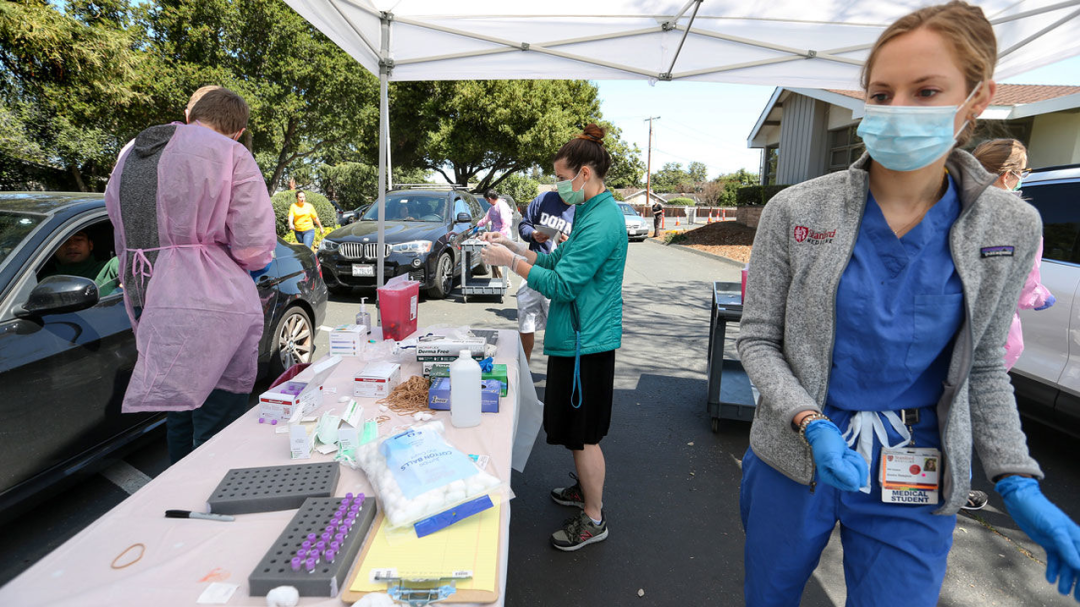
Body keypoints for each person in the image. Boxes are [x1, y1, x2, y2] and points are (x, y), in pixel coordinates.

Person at [736, 3, 1080, 605]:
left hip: (918, 465)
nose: (898, 110)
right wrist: (809, 421)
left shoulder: (1009, 225)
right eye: (881, 92)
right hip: (796, 453)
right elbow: (758, 339)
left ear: (977, 98)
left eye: (926, 91)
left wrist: (1017, 479)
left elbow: (984, 365)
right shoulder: (798, 211)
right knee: (770, 595)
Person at [105, 86, 276, 464]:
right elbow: (253, 245)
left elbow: (117, 219)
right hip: (208, 297)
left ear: (190, 115)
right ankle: (207, 507)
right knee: (217, 420)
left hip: (146, 293)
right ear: (236, 130)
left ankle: (175, 497)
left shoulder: (131, 150)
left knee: (178, 410)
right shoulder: (230, 153)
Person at [480, 124, 627, 551]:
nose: (558, 185)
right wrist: (514, 245)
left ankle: (594, 518)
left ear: (584, 173)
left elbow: (562, 284)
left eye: (562, 176)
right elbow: (556, 256)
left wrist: (511, 263)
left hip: (588, 344)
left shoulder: (603, 221)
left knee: (584, 436)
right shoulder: (591, 211)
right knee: (573, 429)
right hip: (576, 338)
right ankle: (585, 491)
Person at [960, 139, 1056, 513]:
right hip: (992, 335)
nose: (1023, 179)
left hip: (944, 327)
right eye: (1023, 171)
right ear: (1008, 174)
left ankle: (924, 480)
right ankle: (956, 485)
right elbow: (1024, 284)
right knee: (966, 411)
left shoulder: (947, 207)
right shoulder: (1018, 221)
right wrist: (1040, 297)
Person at [516, 190, 575, 364]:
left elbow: (585, 243)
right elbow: (524, 225)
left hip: (560, 274)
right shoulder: (544, 199)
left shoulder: (582, 208)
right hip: (534, 268)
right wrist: (533, 234)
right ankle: (524, 367)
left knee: (557, 325)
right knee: (525, 320)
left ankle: (559, 371)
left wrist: (570, 243)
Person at [40, 230, 120, 297]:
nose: (72, 246)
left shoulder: (108, 268)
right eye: (64, 240)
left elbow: (124, 264)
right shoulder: (46, 282)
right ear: (54, 248)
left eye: (78, 239)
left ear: (90, 245)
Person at [478, 190, 513, 280]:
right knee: (492, 259)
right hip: (494, 236)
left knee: (497, 259)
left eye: (486, 200)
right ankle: (495, 279)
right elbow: (486, 219)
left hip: (502, 236)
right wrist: (477, 225)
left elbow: (505, 223)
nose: (487, 202)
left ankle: (504, 280)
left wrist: (500, 237)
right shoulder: (492, 208)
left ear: (489, 198)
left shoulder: (502, 206)